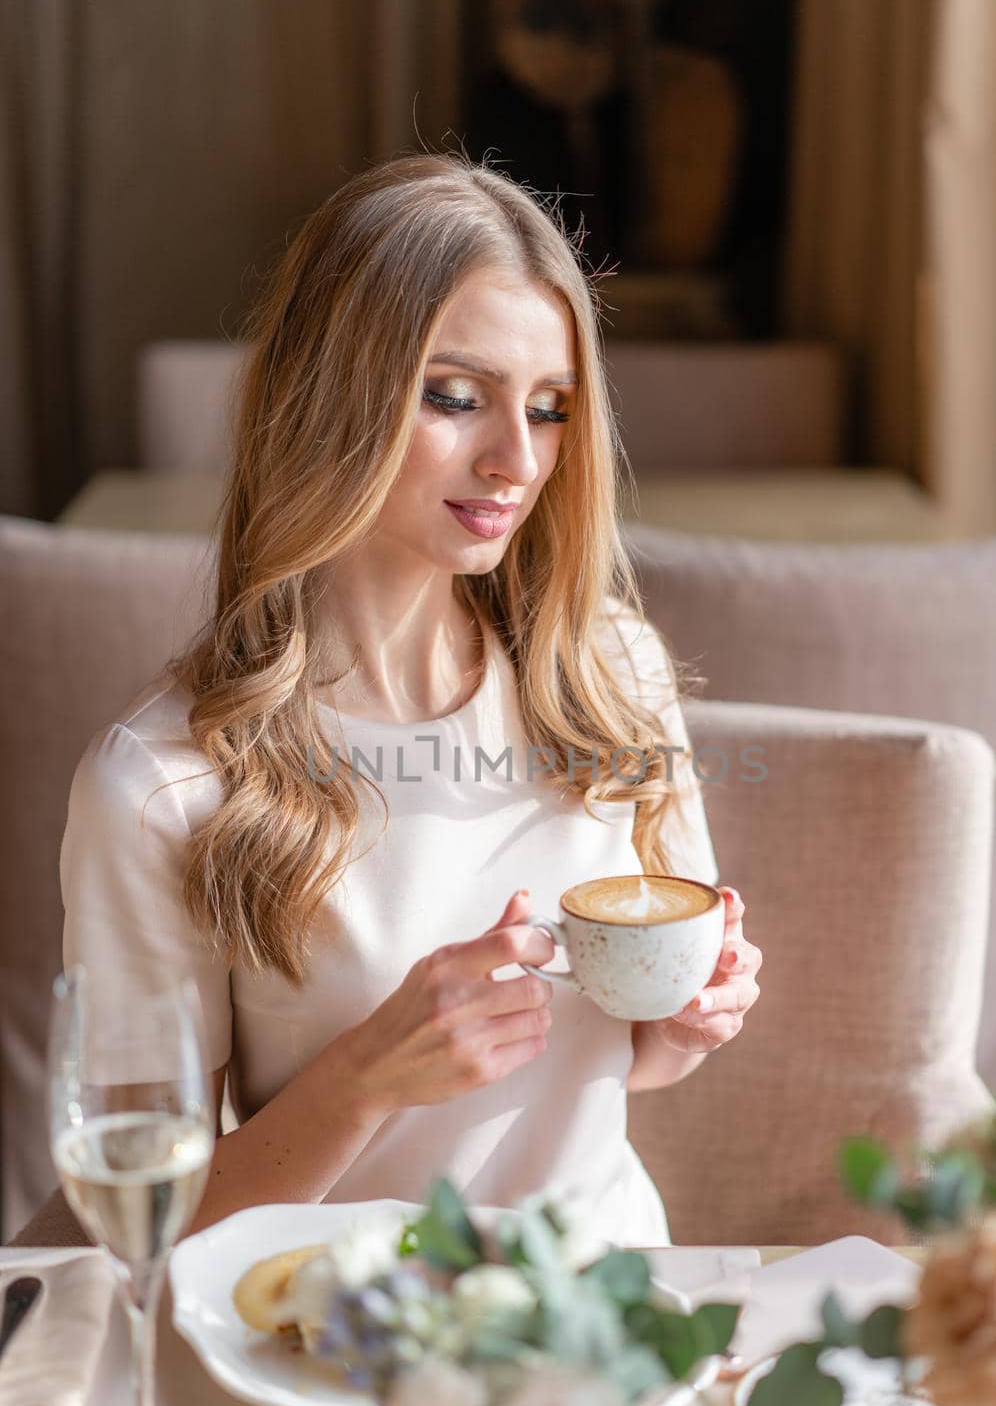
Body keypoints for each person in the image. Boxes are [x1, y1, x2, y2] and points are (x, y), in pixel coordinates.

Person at [50, 154, 762, 1247]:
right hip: (330, 1340)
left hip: (601, 1316)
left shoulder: (610, 676)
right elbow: (131, 1227)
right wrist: (368, 1077)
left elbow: (638, 1060)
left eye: (550, 407)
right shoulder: (163, 787)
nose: (516, 460)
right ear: (328, 393)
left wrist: (686, 1020)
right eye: (455, 396)